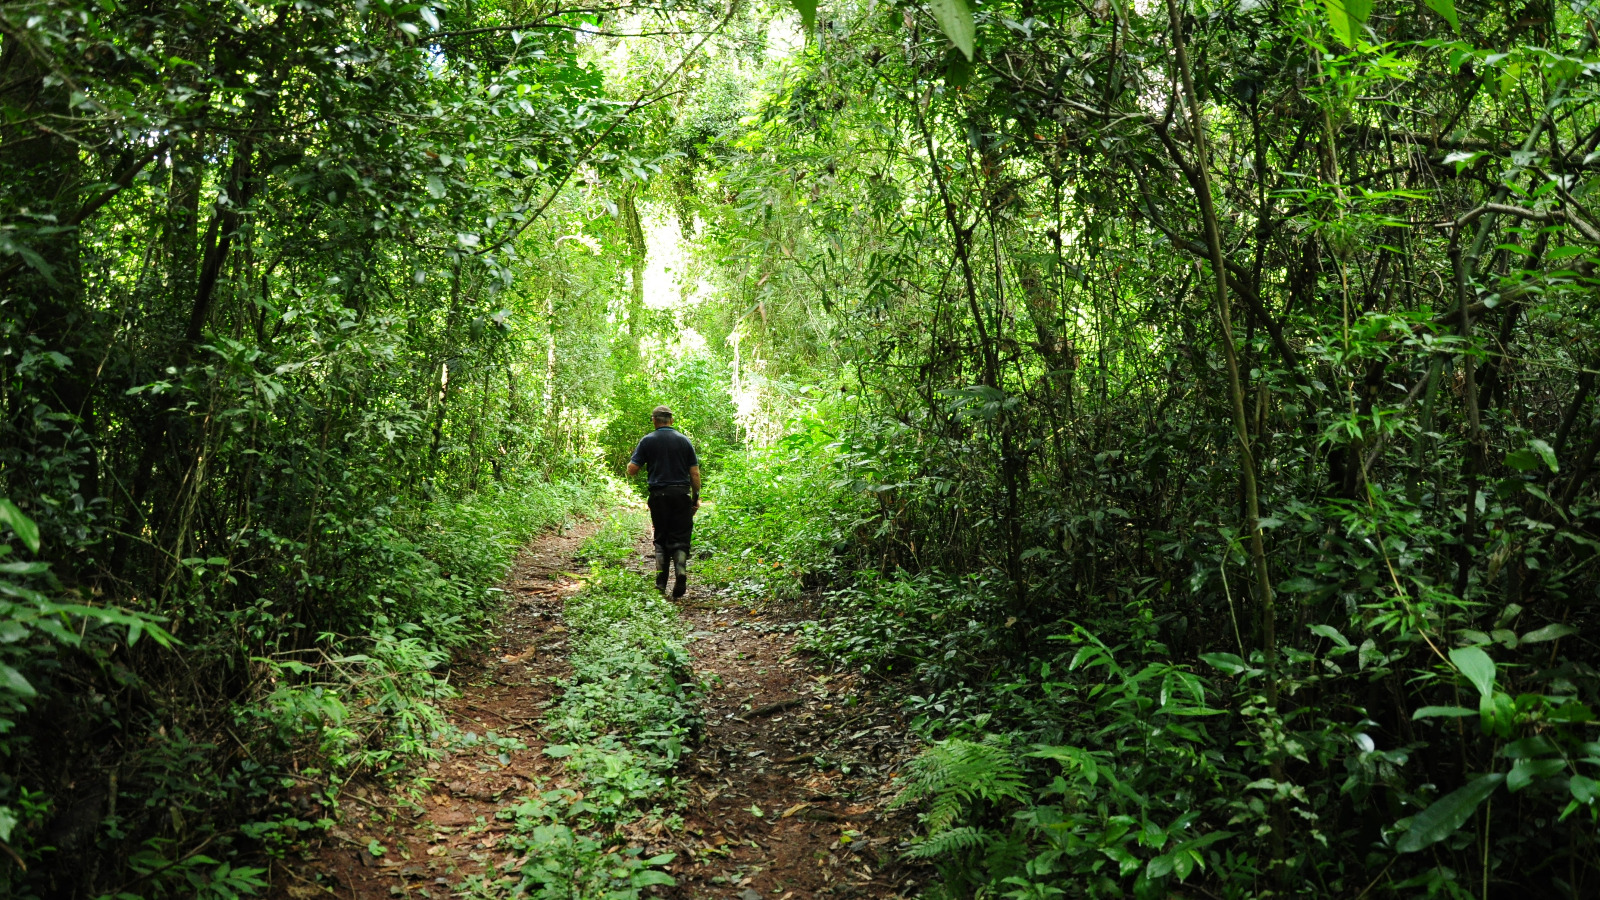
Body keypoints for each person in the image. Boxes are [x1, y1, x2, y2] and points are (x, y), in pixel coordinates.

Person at [626, 405, 701, 597]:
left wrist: (635, 462)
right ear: (671, 420)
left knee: (661, 538)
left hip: (659, 496)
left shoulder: (647, 440)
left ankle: (660, 584)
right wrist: (695, 498)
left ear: (654, 420)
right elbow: (694, 473)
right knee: (681, 537)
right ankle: (681, 571)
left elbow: (632, 470)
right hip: (681, 495)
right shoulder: (684, 441)